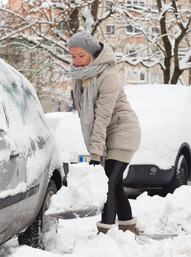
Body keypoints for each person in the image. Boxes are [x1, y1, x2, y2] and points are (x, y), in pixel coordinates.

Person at [67, 31, 141, 235]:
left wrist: (95, 155)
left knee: (106, 185)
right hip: (109, 132)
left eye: (81, 55)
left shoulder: (107, 76)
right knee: (115, 186)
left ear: (92, 54)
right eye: (73, 56)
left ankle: (105, 234)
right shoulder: (82, 77)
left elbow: (101, 117)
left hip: (123, 132)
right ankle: (128, 229)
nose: (77, 61)